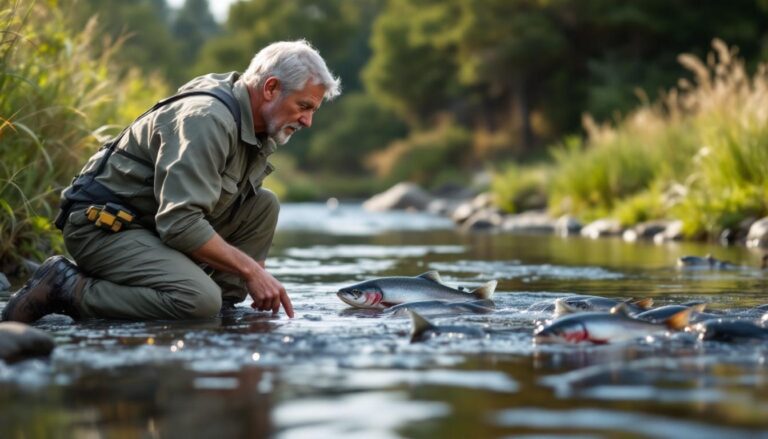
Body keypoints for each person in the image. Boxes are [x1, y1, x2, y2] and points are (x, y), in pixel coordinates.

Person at [2, 40, 340, 323]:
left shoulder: (256, 126)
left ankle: (218, 308)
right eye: (304, 106)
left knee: (264, 204)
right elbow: (179, 223)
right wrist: (252, 271)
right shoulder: (207, 119)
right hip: (103, 227)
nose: (308, 121)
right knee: (197, 301)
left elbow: (212, 214)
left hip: (148, 228)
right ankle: (67, 287)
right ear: (270, 88)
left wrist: (256, 285)